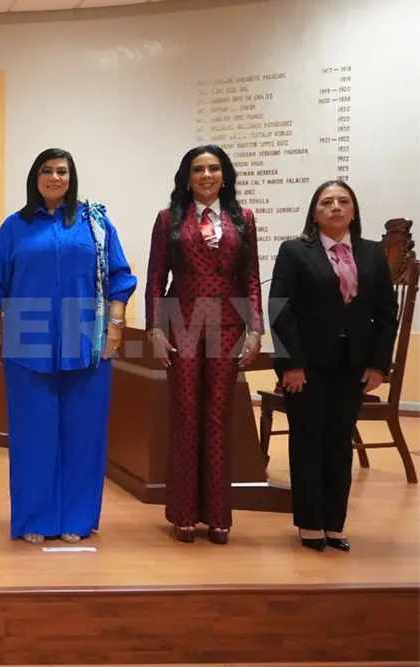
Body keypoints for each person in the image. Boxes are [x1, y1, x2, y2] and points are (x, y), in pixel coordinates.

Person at [0, 148, 137, 545]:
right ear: (35, 177)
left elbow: (121, 276)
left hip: (85, 339)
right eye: (47, 171)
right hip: (26, 339)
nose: (55, 178)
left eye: (62, 172)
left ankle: (78, 517)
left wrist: (116, 326)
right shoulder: (14, 227)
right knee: (32, 434)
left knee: (83, 432)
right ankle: (34, 517)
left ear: (72, 178)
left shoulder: (95, 224)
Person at [268, 180, 396, 552]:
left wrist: (378, 364)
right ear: (314, 211)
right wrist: (291, 364)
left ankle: (334, 524)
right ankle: (310, 524)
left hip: (353, 365)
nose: (336, 207)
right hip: (306, 365)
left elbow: (386, 315)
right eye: (327, 202)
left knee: (339, 442)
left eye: (343, 201)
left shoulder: (372, 254)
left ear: (353, 210)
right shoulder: (294, 251)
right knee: (308, 439)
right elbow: (280, 309)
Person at [144, 145, 263, 545]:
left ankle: (217, 515)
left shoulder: (242, 218)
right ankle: (182, 512)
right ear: (187, 177)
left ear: (224, 175)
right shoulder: (168, 220)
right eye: (198, 169)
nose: (207, 175)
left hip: (228, 326)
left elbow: (251, 279)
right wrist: (156, 330)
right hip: (183, 325)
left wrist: (256, 329)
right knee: (186, 415)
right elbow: (156, 279)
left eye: (214, 168)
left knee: (217, 417)